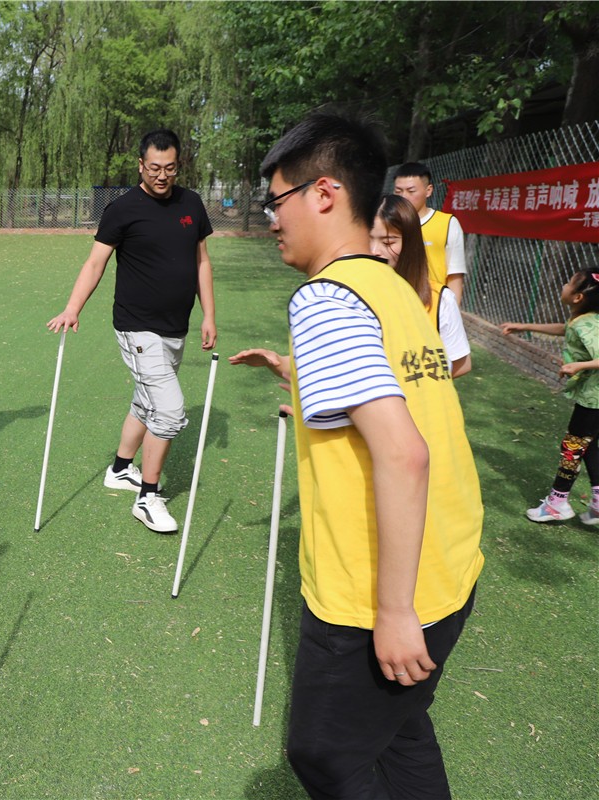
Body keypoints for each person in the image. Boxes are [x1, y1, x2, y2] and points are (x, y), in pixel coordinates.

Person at [233, 113, 484, 799]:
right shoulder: (392, 287)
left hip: (376, 596)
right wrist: (294, 370)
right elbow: (395, 396)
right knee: (399, 732)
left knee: (324, 755)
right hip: (450, 566)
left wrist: (394, 611)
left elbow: (403, 455)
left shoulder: (325, 298)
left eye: (276, 201)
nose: (272, 220)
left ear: (323, 193)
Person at [47, 128, 216, 534]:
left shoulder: (191, 203)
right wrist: (72, 308)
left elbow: (202, 262)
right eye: (154, 168)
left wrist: (209, 315)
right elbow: (95, 263)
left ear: (178, 166)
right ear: (141, 165)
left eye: (170, 168)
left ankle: (121, 469)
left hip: (176, 327)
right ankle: (148, 498)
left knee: (147, 400)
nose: (162, 176)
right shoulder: (122, 209)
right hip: (137, 327)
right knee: (169, 411)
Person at [501, 270, 599, 523]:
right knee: (587, 445)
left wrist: (579, 365)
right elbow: (565, 329)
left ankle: (557, 503)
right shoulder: (582, 319)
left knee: (572, 448)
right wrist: (525, 326)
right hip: (593, 398)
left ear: (577, 297)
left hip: (594, 399)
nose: (563, 285)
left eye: (568, 283)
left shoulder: (586, 324)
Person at [371, 194, 472, 377]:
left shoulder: (440, 300)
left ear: (411, 243)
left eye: (388, 242)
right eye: (368, 240)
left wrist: (414, 380)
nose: (374, 251)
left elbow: (461, 363)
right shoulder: (345, 293)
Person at [393, 162, 467, 304]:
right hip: (395, 304)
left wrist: (451, 313)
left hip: (431, 307)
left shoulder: (447, 224)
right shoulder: (386, 223)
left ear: (428, 191)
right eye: (398, 191)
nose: (403, 197)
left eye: (411, 191)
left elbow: (455, 277)